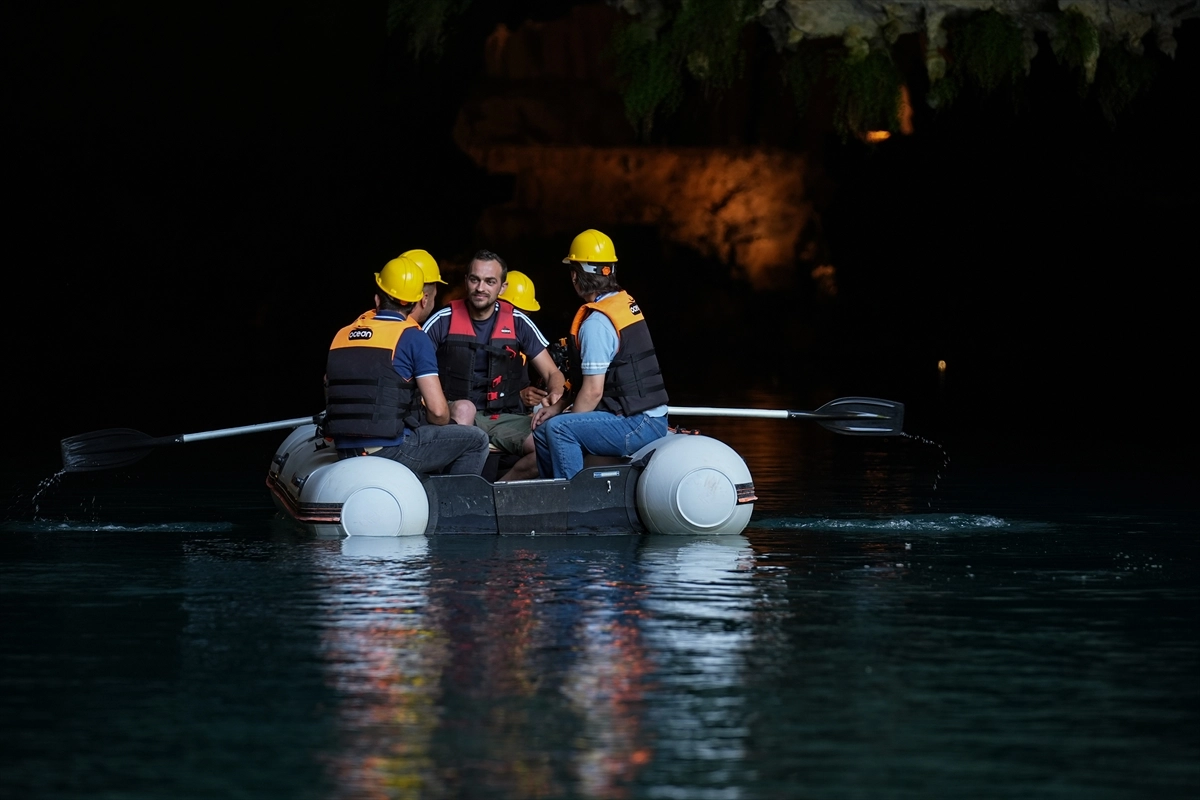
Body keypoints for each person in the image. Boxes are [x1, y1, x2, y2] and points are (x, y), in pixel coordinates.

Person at [323, 254, 490, 478]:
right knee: (477, 440)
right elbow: (438, 412)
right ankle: (452, 507)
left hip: (344, 448)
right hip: (388, 450)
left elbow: (331, 387)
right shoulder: (412, 337)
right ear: (417, 302)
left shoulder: (342, 334)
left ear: (376, 299)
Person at [531, 229, 670, 480]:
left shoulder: (596, 323)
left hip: (638, 424)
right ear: (610, 271)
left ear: (575, 276)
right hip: (641, 417)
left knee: (560, 430)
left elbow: (594, 391)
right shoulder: (622, 303)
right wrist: (559, 406)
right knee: (544, 429)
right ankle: (550, 492)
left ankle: (571, 503)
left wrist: (565, 420)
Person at [423, 251, 565, 481]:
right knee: (465, 409)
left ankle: (497, 491)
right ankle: (454, 494)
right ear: (466, 280)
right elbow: (411, 368)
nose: (481, 288)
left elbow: (552, 373)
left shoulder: (518, 320)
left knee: (550, 447)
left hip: (503, 417)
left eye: (490, 281)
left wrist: (555, 395)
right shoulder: (443, 319)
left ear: (502, 287)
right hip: (455, 412)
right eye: (474, 279)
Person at [498, 269, 559, 412]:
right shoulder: (482, 335)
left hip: (519, 410)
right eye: (515, 311)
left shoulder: (524, 331)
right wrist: (518, 396)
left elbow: (553, 373)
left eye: (526, 314)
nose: (521, 319)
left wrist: (554, 394)